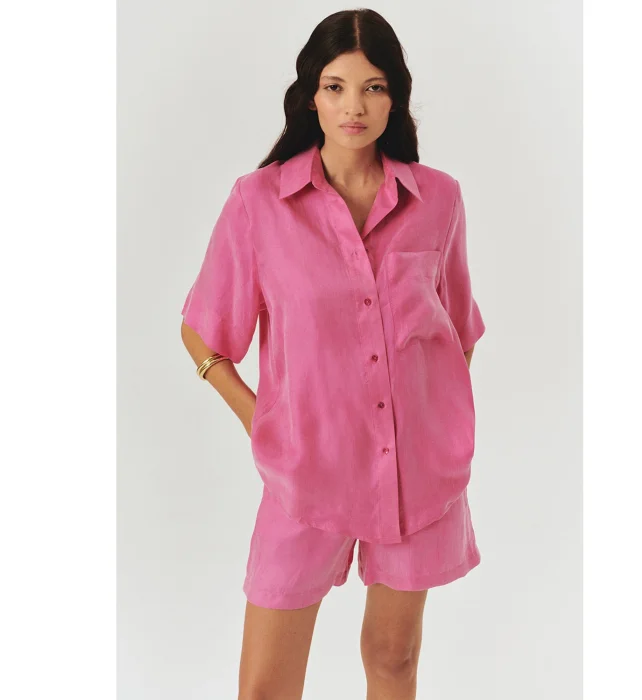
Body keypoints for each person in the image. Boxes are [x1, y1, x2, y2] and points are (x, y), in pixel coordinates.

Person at [180, 8, 486, 700]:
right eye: (336, 86)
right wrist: (265, 421)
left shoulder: (439, 199)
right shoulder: (259, 203)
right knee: (265, 687)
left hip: (415, 476)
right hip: (306, 474)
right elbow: (202, 330)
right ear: (310, 96)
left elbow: (458, 330)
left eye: (374, 87)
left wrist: (436, 427)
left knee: (394, 658)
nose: (354, 107)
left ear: (395, 97)